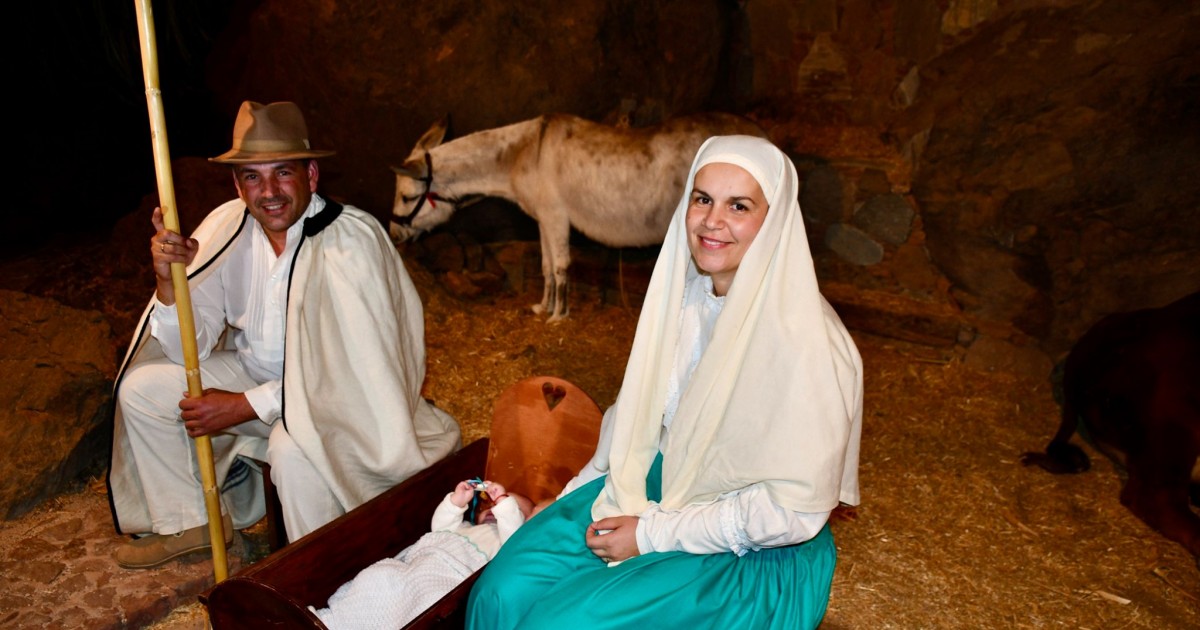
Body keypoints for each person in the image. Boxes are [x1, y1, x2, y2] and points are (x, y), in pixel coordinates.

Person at [466, 135, 863, 629]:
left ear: (775, 219)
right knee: (500, 595)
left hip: (749, 549)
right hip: (649, 487)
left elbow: (792, 515)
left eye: (738, 205)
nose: (712, 221)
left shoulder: (809, 344)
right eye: (702, 199)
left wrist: (651, 535)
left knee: (560, 623)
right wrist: (571, 498)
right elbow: (633, 422)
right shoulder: (684, 299)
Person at [107, 100, 461, 569]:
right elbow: (184, 347)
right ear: (237, 184)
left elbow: (352, 373)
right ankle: (189, 523)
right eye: (252, 176)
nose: (268, 191)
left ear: (311, 175)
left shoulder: (350, 240)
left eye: (283, 173)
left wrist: (241, 406)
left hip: (343, 404)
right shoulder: (227, 227)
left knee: (293, 452)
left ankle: (320, 574)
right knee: (142, 391)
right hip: (255, 379)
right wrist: (169, 282)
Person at [313, 479, 534, 629]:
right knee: (378, 578)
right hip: (418, 564)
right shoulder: (465, 526)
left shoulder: (504, 545)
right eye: (493, 504)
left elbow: (515, 538)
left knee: (414, 602)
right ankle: (334, 621)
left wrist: (505, 505)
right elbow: (440, 527)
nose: (496, 508)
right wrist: (456, 502)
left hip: (445, 579)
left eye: (511, 507)